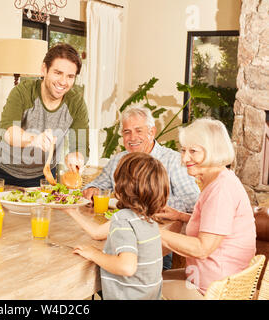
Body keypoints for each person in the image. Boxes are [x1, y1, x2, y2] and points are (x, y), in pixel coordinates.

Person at [83, 105, 200, 269]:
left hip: (155, 242)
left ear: (152, 132)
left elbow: (194, 204)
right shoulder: (118, 160)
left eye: (139, 131)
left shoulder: (173, 161)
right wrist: (92, 189)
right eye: (127, 132)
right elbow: (96, 185)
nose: (132, 137)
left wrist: (150, 204)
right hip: (116, 235)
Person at [155, 118, 256, 299]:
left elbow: (202, 248)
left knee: (134, 287)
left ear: (214, 151)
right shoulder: (220, 179)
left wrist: (151, 230)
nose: (185, 158)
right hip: (211, 278)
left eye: (193, 151)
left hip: (214, 290)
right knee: (143, 279)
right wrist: (181, 216)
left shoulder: (220, 190)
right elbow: (218, 224)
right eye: (183, 150)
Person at [65, 152, 169, 300]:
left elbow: (127, 267)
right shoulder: (146, 218)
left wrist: (95, 254)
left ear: (121, 187)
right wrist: (71, 211)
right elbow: (96, 233)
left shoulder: (123, 220)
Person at [0, 43, 89, 187]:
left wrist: (76, 157)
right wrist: (34, 139)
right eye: (57, 73)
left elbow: (81, 145)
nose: (63, 82)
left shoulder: (76, 103)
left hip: (44, 176)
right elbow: (7, 131)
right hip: (4, 172)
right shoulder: (23, 92)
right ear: (44, 69)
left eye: (70, 76)